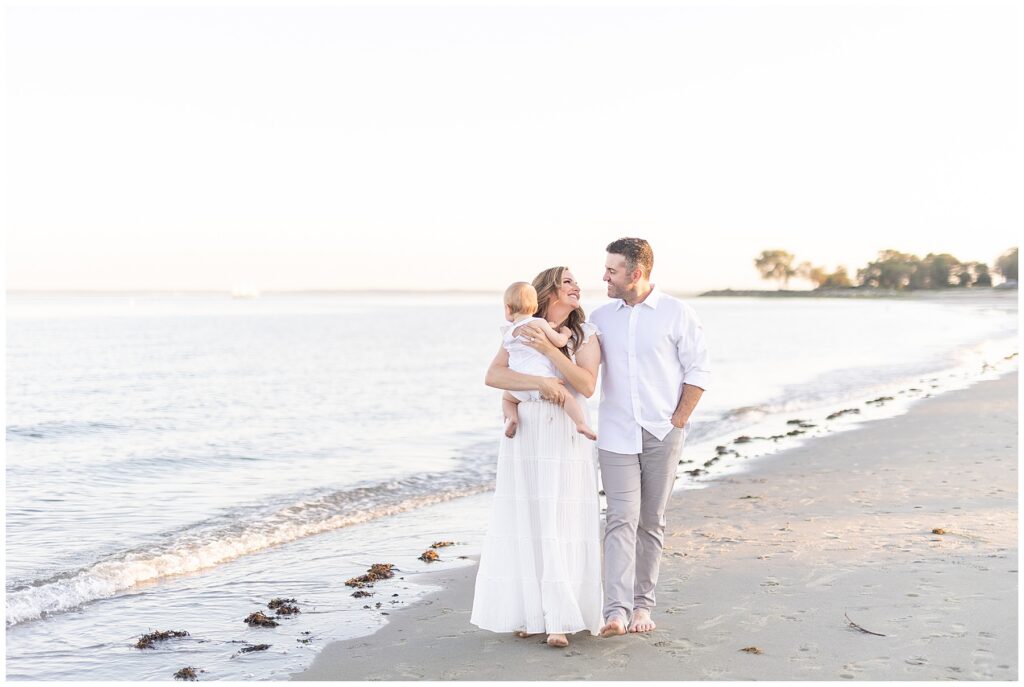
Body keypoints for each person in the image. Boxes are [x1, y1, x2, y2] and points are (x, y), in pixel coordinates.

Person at [470, 267, 603, 648]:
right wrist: (538, 382)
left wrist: (549, 353)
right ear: (548, 291)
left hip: (565, 432)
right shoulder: (524, 327)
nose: (577, 286)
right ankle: (533, 612)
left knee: (561, 518)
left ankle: (560, 617)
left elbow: (586, 386)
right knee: (529, 518)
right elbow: (494, 376)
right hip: (526, 434)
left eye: (577, 282)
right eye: (567, 281)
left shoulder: (585, 334)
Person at [588, 237, 711, 637]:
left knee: (650, 521)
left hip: (663, 432)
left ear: (635, 273)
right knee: (619, 519)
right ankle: (615, 611)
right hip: (615, 434)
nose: (604, 275)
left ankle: (643, 606)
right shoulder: (600, 317)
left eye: (612, 270)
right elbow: (576, 361)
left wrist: (677, 420)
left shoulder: (677, 313)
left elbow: (698, 371)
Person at [499, 281, 597, 441]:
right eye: (566, 281)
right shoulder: (540, 324)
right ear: (535, 305)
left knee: (507, 398)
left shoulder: (509, 332)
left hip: (520, 385)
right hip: (543, 380)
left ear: (508, 309)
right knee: (567, 398)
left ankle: (511, 419)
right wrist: (564, 334)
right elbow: (559, 342)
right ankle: (580, 424)